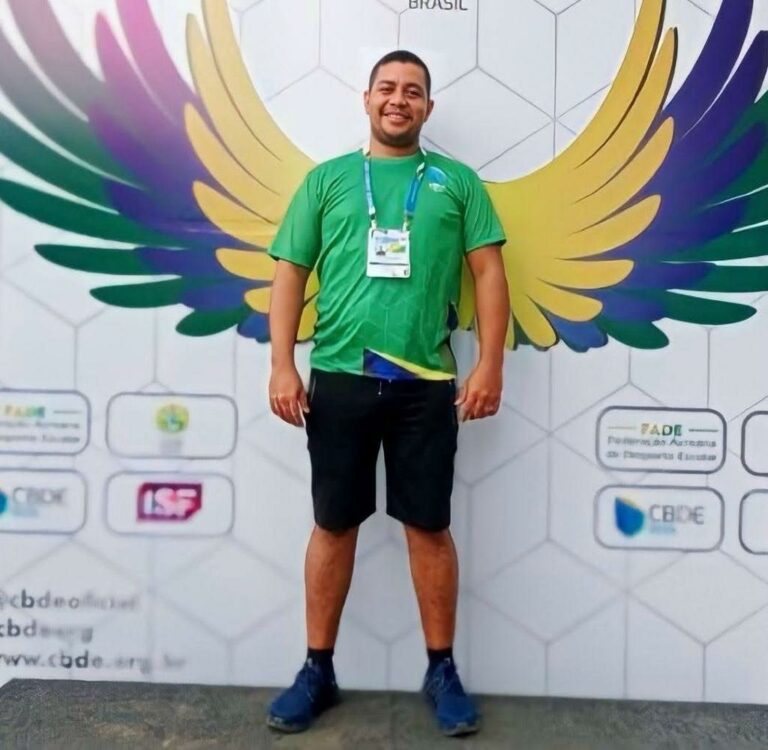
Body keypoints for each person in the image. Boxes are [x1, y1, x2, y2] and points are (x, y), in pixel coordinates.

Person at [265, 49, 509, 737]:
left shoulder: (458, 183)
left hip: (425, 385)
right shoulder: (327, 180)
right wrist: (281, 364)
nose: (399, 99)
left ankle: (441, 670)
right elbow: (289, 274)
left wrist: (490, 365)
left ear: (428, 107)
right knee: (333, 524)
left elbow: (489, 275)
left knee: (428, 526)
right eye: (388, 88)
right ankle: (317, 669)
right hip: (339, 378)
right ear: (366, 98)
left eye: (413, 91)